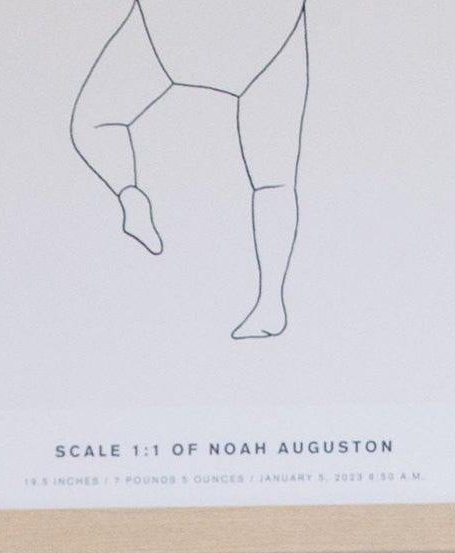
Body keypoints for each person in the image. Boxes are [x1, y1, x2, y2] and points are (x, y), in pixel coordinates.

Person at [70, 1, 309, 340]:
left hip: (174, 29)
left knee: (94, 124)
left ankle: (130, 194)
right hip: (268, 36)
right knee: (275, 183)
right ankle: (270, 302)